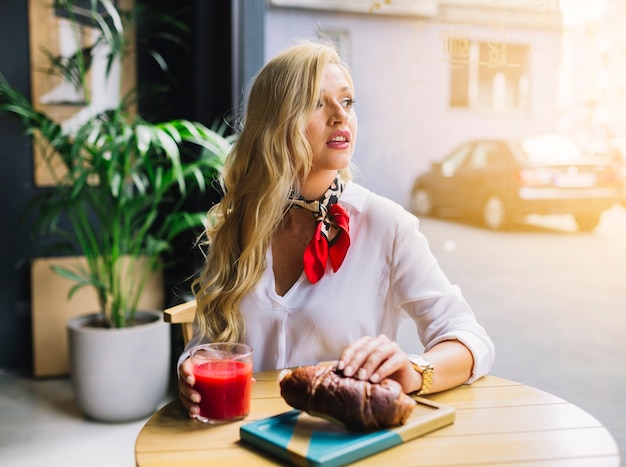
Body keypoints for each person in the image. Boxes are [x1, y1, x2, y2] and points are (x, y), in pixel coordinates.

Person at [178, 39, 495, 419]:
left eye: (346, 102)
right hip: (241, 442)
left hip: (341, 444)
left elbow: (470, 339)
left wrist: (413, 370)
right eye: (316, 102)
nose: (340, 116)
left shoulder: (386, 224)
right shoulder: (239, 226)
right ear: (275, 123)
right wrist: (192, 367)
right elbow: (207, 343)